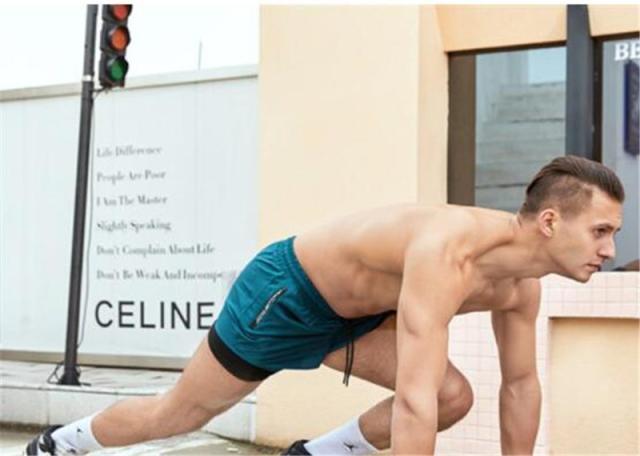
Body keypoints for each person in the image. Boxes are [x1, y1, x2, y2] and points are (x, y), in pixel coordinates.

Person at [26, 156, 624, 455]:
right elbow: (411, 403)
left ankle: (315, 454)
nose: (610, 249)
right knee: (179, 415)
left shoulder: (520, 287)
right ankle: (60, 444)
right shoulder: (448, 252)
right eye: (600, 231)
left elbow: (520, 386)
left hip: (356, 318)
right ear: (550, 221)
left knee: (454, 397)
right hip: (284, 294)